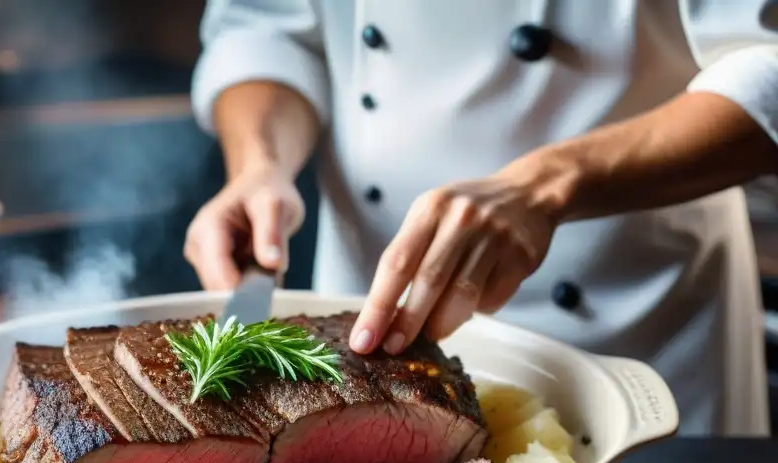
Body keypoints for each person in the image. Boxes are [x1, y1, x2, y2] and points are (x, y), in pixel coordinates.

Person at [184, 1, 778, 437]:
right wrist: (259, 163)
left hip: (636, 314)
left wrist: (546, 185)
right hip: (367, 314)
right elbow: (267, 28)